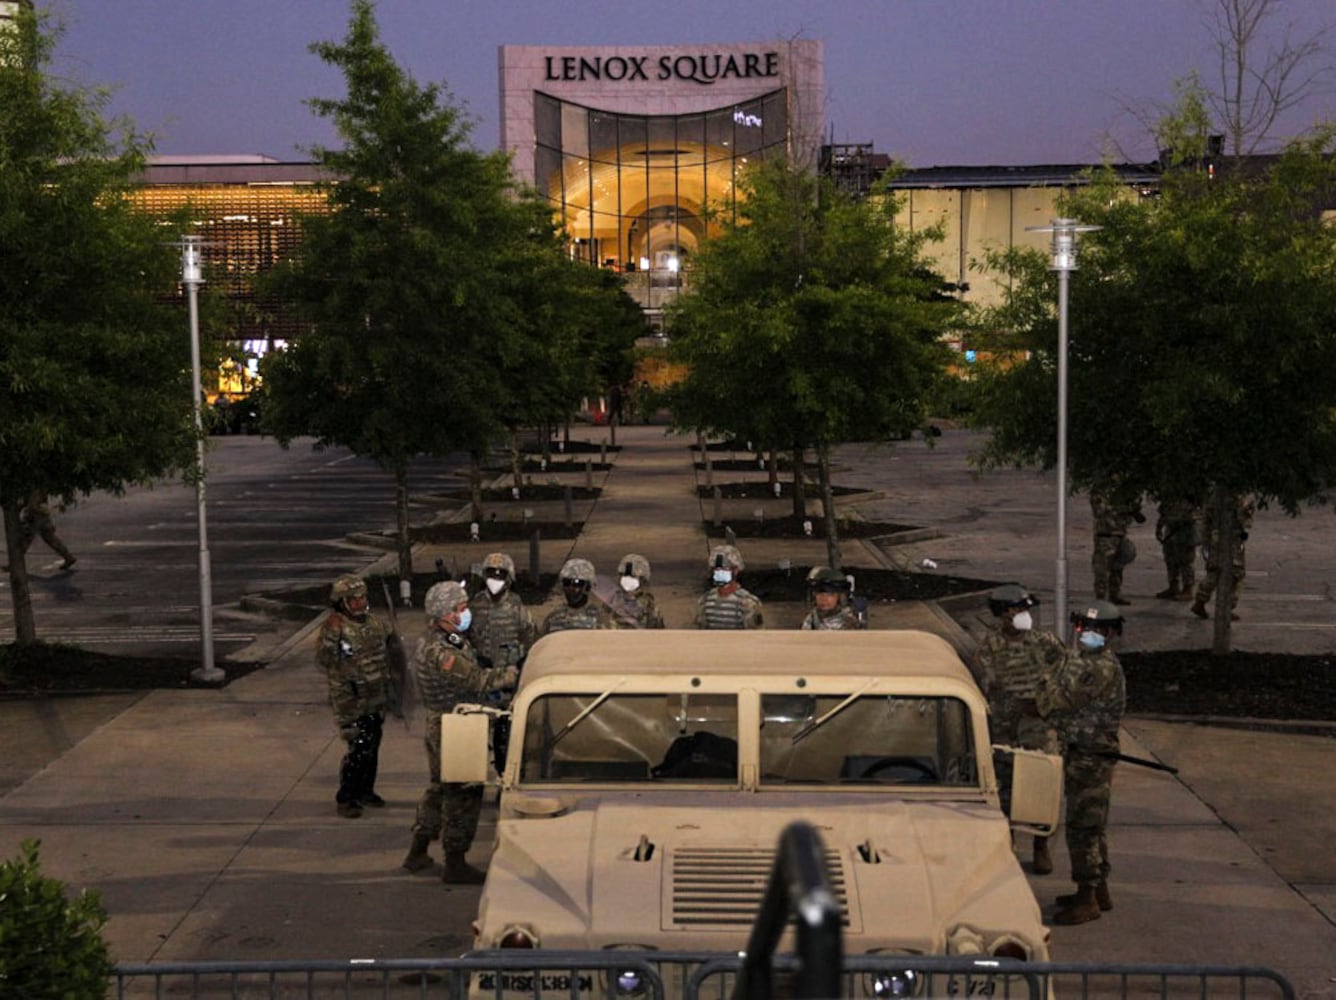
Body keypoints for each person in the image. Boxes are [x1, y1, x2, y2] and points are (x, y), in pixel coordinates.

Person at [402, 580, 518, 883]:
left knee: (439, 789)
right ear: (446, 613)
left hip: (446, 723)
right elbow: (478, 681)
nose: (466, 613)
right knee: (463, 794)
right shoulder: (442, 651)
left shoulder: (442, 638)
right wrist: (514, 673)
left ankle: (418, 850)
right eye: (461, 609)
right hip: (456, 727)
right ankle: (456, 862)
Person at [1038, 599, 1127, 925]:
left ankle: (1088, 898)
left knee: (1084, 827)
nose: (1088, 634)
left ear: (1110, 634)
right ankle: (1098, 890)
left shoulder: (1100, 667)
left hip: (1092, 756)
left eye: (1097, 630)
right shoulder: (1079, 659)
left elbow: (1058, 701)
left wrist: (1044, 686)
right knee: (1092, 824)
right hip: (1079, 752)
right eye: (1084, 628)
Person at [971, 583, 1065, 875]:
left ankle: (1041, 845)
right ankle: (1007, 842)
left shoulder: (1046, 643)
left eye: (1025, 609)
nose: (1023, 615)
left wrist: (1044, 706)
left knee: (1040, 784)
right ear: (1002, 614)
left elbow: (1063, 679)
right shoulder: (989, 647)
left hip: (1037, 726)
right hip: (1003, 727)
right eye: (1016, 610)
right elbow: (986, 685)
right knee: (1004, 785)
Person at [315, 574, 395, 819]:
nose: (359, 603)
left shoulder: (375, 624)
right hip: (351, 700)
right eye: (353, 599)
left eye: (362, 598)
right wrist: (332, 634)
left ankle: (365, 791)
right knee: (358, 748)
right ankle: (347, 797)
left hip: (375, 696)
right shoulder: (334, 628)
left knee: (372, 746)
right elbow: (324, 660)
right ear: (342, 602)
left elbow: (390, 650)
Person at [1191, 495, 1255, 622]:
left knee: (1214, 571)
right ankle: (1227, 608)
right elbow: (1246, 522)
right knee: (1236, 574)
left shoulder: (1212, 498)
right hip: (1232, 540)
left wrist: (1205, 540)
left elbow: (1204, 520)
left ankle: (1200, 601)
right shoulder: (1237, 499)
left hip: (1215, 539)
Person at [470, 552, 537, 673]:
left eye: (500, 575)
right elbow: (466, 638)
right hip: (481, 674)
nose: (495, 580)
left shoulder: (517, 607)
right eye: (491, 574)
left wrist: (520, 662)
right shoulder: (475, 606)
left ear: (508, 579)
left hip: (509, 673)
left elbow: (531, 639)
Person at [1089, 484, 1144, 606]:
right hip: (1105, 535)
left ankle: (1115, 594)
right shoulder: (1100, 490)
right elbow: (1099, 511)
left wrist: (1132, 509)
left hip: (1120, 534)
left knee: (1117, 567)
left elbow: (1135, 508)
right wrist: (1123, 509)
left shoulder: (1125, 491)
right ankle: (1101, 598)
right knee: (1102, 568)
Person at [695, 544, 763, 630]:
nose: (719, 573)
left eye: (724, 569)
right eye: (716, 569)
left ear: (735, 571)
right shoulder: (705, 601)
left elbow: (755, 636)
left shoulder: (748, 603)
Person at [540, 558, 615, 634]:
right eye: (567, 582)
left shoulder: (601, 619)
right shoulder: (553, 618)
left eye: (578, 583)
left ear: (588, 586)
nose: (571, 588)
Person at [1154, 499, 1200, 600]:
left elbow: (1196, 515)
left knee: (1186, 561)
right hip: (1171, 531)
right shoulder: (1169, 496)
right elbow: (1163, 513)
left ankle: (1187, 589)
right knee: (1170, 560)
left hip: (1185, 531)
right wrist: (1159, 528)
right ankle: (1173, 587)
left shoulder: (1191, 495)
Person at [18, 491, 77, 570]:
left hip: (35, 515)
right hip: (41, 513)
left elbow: (33, 503)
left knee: (26, 538)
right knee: (50, 538)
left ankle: (16, 563)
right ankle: (68, 556)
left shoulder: (34, 484)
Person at [605, 553, 666, 629]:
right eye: (623, 575)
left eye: (633, 576)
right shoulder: (613, 599)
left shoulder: (648, 604)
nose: (627, 580)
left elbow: (658, 632)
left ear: (642, 580)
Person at [799, 566, 866, 630]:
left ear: (839, 596)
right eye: (820, 594)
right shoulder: (811, 620)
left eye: (830, 595)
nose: (824, 599)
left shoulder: (849, 623)